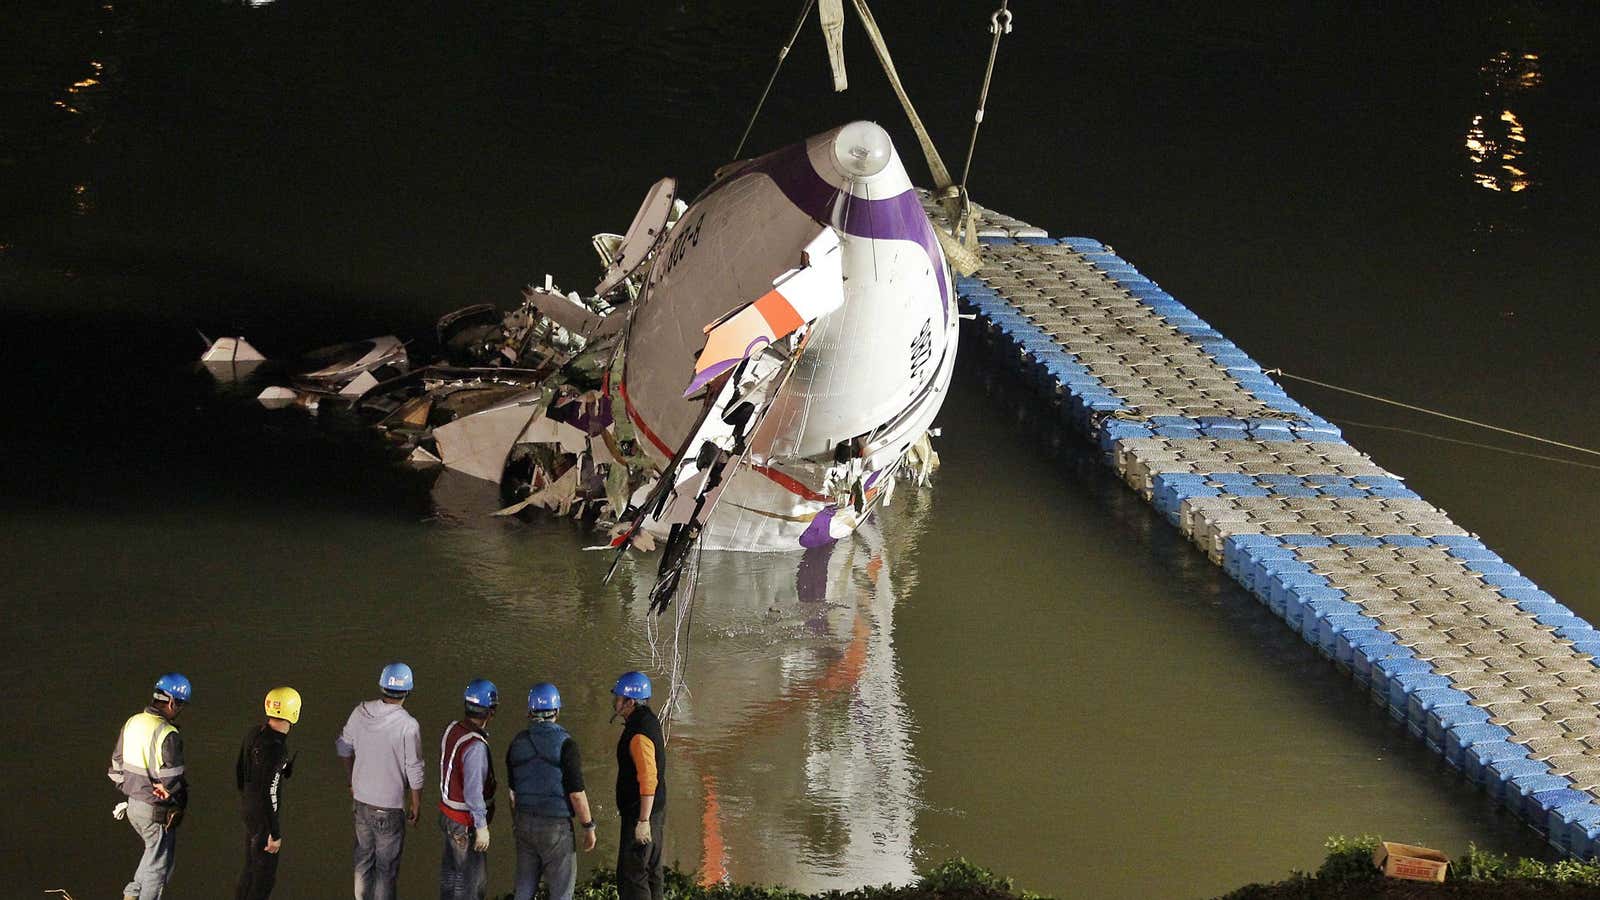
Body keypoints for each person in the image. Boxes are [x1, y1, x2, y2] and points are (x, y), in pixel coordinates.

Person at [337, 662, 425, 900]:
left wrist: (351, 779)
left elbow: (343, 747)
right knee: (386, 871)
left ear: (382, 686)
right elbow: (414, 767)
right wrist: (416, 803)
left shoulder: (360, 711)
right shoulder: (408, 725)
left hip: (362, 802)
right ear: (407, 691)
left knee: (363, 862)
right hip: (389, 808)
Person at [505, 682, 595, 900]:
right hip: (556, 829)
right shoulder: (567, 745)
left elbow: (512, 793)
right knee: (561, 892)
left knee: (524, 889)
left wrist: (518, 822)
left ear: (530, 711)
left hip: (524, 823)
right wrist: (588, 826)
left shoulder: (517, 743)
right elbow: (576, 794)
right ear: (557, 711)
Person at [108, 672, 191, 900]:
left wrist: (133, 789)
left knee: (152, 854)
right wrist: (177, 800)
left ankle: (131, 895)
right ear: (172, 702)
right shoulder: (167, 733)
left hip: (134, 806)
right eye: (181, 705)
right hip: (155, 810)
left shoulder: (133, 722)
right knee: (159, 867)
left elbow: (116, 767)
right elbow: (172, 779)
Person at [235, 686, 301, 900]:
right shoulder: (277, 748)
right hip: (264, 817)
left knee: (249, 869)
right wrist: (275, 832)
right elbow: (269, 791)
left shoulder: (255, 732)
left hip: (248, 807)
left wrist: (281, 770)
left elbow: (241, 768)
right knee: (264, 879)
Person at [439, 678, 499, 899]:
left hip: (448, 816)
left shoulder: (453, 729)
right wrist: (481, 826)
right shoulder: (475, 746)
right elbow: (473, 791)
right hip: (465, 824)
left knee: (451, 879)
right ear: (490, 712)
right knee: (472, 886)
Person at [611, 671, 666, 900]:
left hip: (641, 814)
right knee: (652, 872)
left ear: (630, 702)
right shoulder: (649, 721)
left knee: (633, 877)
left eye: (619, 698)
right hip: (655, 810)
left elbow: (648, 777)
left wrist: (643, 821)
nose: (615, 702)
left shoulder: (639, 733)